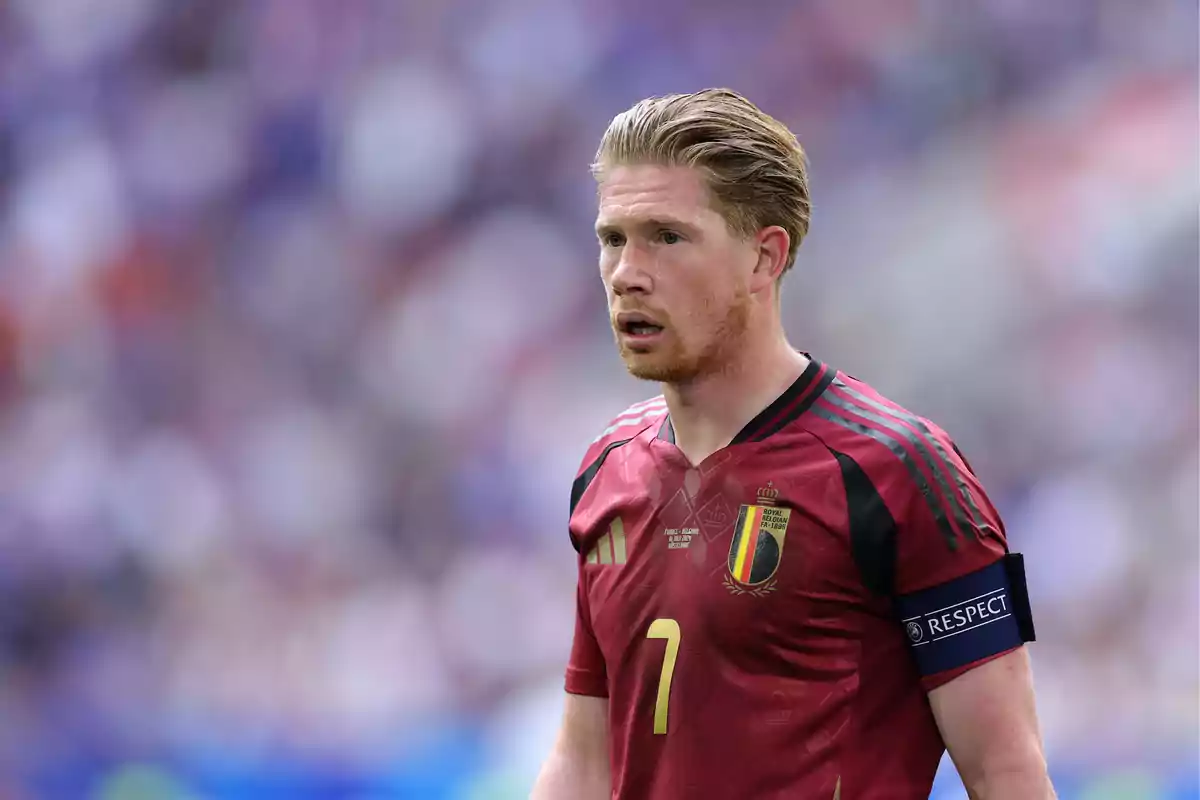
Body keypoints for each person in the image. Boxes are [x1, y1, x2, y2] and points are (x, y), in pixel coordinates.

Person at [530, 89, 1054, 799]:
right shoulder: (606, 469)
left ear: (763, 259)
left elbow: (1006, 773)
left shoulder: (899, 472)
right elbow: (585, 759)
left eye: (668, 236)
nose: (628, 273)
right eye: (613, 238)